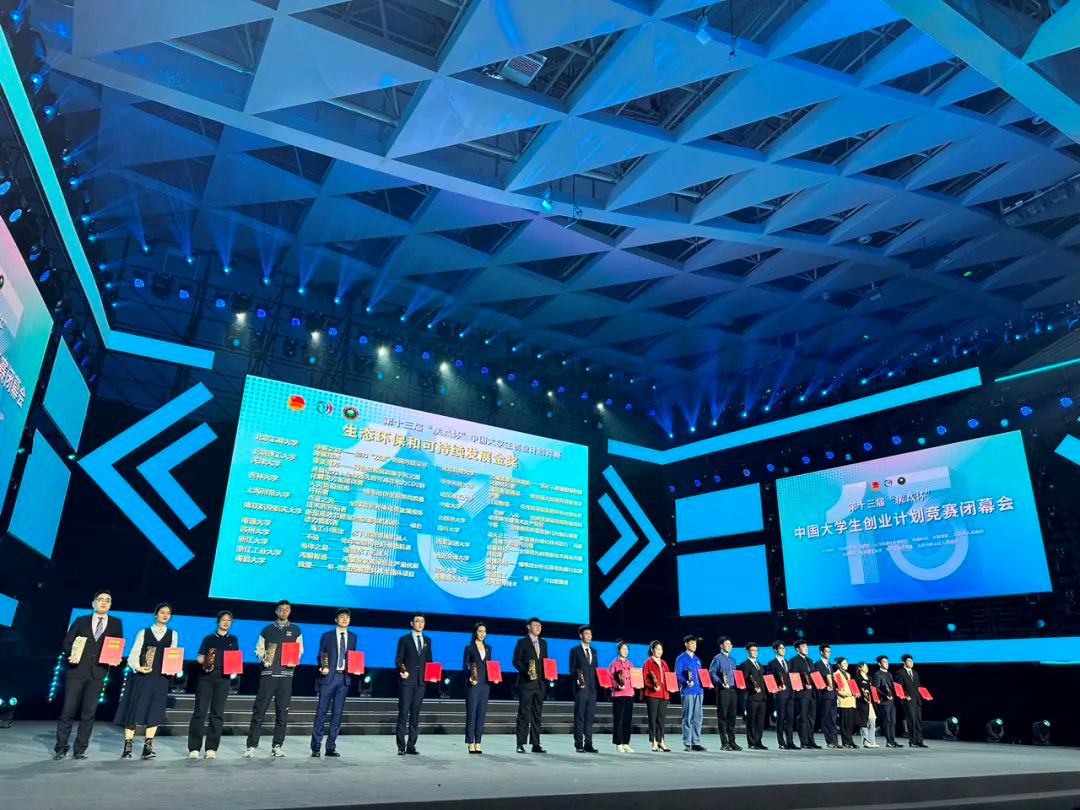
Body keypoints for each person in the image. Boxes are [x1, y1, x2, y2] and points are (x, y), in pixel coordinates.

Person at [54, 590, 124, 760]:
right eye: (100, 599)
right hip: (77, 671)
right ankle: (61, 748)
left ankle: (80, 749)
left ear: (110, 604)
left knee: (89, 713)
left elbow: (116, 645)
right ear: (93, 603)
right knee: (68, 711)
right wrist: (71, 654)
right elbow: (67, 642)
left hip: (98, 673)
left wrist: (115, 657)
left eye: (108, 600)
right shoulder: (81, 620)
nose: (104, 602)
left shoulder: (116, 623)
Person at [244, 599, 303, 758]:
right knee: (259, 711)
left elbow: (299, 651)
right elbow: (258, 649)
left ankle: (277, 746)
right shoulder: (267, 629)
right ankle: (251, 746)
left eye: (287, 609)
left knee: (282, 713)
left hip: (286, 676)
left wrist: (293, 661)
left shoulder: (296, 630)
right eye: (281, 609)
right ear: (276, 611)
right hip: (268, 675)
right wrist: (264, 659)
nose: (284, 612)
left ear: (290, 611)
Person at [120, 602, 178, 760]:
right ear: (155, 614)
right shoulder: (144, 632)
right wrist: (138, 667)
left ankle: (148, 747)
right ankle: (128, 746)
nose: (165, 615)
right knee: (135, 709)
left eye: (168, 613)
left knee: (155, 710)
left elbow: (172, 655)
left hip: (161, 678)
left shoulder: (173, 634)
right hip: (142, 676)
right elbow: (134, 653)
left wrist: (172, 667)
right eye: (162, 612)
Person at [187, 610, 239, 759]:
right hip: (206, 677)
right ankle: (194, 748)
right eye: (223, 620)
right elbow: (199, 657)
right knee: (200, 711)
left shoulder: (233, 640)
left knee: (217, 713)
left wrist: (234, 666)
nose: (226, 623)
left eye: (229, 620)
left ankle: (211, 748)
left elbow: (234, 658)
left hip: (223, 679)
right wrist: (205, 662)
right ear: (218, 622)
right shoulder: (208, 639)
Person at [310, 608, 358, 758]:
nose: (344, 619)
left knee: (337, 714)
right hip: (328, 678)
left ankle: (330, 747)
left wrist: (355, 667)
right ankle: (316, 747)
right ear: (336, 620)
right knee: (321, 712)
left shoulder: (353, 637)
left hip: (343, 679)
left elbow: (352, 656)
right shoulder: (327, 635)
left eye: (347, 617)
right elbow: (321, 654)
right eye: (341, 617)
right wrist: (323, 666)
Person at [394, 611, 431, 755]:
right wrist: (402, 671)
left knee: (415, 715)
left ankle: (411, 745)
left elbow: (429, 661)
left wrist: (432, 674)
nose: (420, 624)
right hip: (407, 681)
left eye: (422, 621)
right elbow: (399, 659)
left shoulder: (427, 640)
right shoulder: (404, 639)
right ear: (411, 623)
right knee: (403, 713)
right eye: (417, 621)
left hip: (421, 682)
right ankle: (401, 746)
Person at [512, 617, 548, 754]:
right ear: (529, 627)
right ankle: (520, 744)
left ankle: (536, 744)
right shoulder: (522, 642)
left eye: (540, 625)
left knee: (537, 714)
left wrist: (549, 672)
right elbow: (516, 661)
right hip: (526, 683)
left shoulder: (543, 643)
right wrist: (526, 671)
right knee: (524, 713)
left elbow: (545, 662)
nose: (538, 627)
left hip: (540, 684)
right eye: (535, 625)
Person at [569, 625, 599, 752]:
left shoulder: (594, 651)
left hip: (592, 689)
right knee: (579, 717)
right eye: (586, 634)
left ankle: (588, 744)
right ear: (581, 635)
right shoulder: (575, 651)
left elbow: (596, 670)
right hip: (581, 688)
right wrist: (579, 680)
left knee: (589, 718)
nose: (589, 636)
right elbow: (572, 669)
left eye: (590, 634)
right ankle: (579, 744)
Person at [462, 622, 492, 754]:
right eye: (480, 631)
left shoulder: (488, 648)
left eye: (484, 631)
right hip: (473, 685)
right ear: (475, 632)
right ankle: (470, 742)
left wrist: (494, 676)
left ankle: (478, 742)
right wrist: (470, 677)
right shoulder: (469, 647)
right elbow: (465, 666)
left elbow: (490, 666)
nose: (482, 634)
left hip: (485, 685)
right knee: (472, 713)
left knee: (481, 713)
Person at [708, 636, 740, 751]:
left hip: (732, 689)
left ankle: (732, 742)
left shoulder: (733, 660)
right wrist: (721, 683)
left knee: (732, 717)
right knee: (723, 716)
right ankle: (724, 743)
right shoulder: (717, 658)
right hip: (722, 690)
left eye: (730, 644)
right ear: (721, 646)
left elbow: (736, 675)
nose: (729, 646)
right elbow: (712, 673)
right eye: (727, 644)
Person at [675, 634, 706, 752]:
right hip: (687, 691)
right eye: (692, 643)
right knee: (687, 717)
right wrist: (685, 681)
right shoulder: (681, 658)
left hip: (699, 691)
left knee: (698, 717)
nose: (694, 645)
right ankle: (687, 743)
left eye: (695, 644)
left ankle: (696, 742)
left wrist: (706, 682)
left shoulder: (697, 659)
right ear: (686, 644)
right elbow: (677, 674)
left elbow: (701, 674)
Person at [641, 641, 671, 752]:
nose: (659, 651)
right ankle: (653, 741)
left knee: (661, 719)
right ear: (652, 650)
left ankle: (661, 741)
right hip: (652, 694)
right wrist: (652, 686)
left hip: (664, 694)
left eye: (661, 649)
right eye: (657, 649)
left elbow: (668, 677)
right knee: (653, 719)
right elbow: (645, 679)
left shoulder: (664, 663)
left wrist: (671, 686)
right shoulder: (648, 662)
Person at [789, 639, 820, 749]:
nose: (806, 648)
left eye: (806, 646)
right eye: (803, 646)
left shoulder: (810, 660)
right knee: (802, 718)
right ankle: (804, 742)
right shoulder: (793, 660)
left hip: (811, 694)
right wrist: (803, 685)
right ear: (797, 649)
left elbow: (814, 676)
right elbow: (793, 676)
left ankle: (811, 741)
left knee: (812, 719)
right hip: (801, 694)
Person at [765, 640, 795, 749]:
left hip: (790, 694)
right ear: (775, 650)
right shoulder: (772, 663)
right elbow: (769, 678)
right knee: (781, 718)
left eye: (784, 648)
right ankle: (781, 742)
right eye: (781, 648)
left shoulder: (788, 662)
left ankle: (790, 741)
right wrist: (775, 688)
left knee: (790, 718)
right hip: (780, 694)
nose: (783, 650)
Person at [738, 642, 768, 750]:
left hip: (762, 697)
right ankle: (751, 742)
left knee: (760, 721)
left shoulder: (759, 664)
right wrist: (752, 688)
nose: (755, 652)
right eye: (752, 650)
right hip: (752, 697)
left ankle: (758, 741)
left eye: (756, 650)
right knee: (751, 721)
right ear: (748, 651)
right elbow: (745, 680)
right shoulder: (744, 664)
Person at [897, 653, 928, 748]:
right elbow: (899, 686)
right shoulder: (900, 672)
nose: (911, 662)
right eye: (909, 661)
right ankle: (912, 740)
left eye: (912, 661)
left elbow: (919, 686)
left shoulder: (915, 673)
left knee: (918, 721)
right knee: (911, 721)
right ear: (904, 662)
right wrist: (905, 695)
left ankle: (920, 740)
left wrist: (925, 694)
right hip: (908, 700)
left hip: (917, 700)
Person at [608, 641, 635, 753]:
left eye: (627, 649)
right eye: (623, 649)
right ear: (618, 650)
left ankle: (626, 743)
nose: (625, 651)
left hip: (629, 693)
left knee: (627, 719)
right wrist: (617, 685)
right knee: (618, 719)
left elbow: (635, 677)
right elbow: (610, 678)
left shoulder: (630, 663)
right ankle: (618, 743)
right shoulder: (614, 663)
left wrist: (637, 683)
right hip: (618, 694)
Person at [872, 655, 901, 748]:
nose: (887, 663)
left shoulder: (889, 674)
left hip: (891, 701)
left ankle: (893, 740)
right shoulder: (877, 674)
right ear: (879, 663)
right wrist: (885, 695)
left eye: (887, 662)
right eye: (884, 662)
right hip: (884, 702)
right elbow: (876, 688)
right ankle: (888, 741)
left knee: (893, 721)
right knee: (887, 721)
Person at [814, 644, 839, 749]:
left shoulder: (830, 665)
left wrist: (836, 687)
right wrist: (824, 687)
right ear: (821, 652)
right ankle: (829, 741)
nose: (828, 653)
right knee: (826, 718)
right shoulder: (817, 665)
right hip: (824, 695)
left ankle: (835, 741)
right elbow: (816, 679)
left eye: (830, 652)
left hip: (833, 695)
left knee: (833, 718)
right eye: (827, 651)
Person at [853, 662, 879, 748]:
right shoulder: (857, 678)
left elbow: (873, 689)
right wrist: (861, 697)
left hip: (870, 703)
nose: (866, 668)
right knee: (863, 722)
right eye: (864, 666)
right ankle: (866, 741)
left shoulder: (870, 678)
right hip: (861, 703)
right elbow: (856, 690)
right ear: (859, 668)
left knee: (872, 721)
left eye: (867, 666)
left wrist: (876, 698)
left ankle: (872, 741)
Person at [834, 657, 857, 748]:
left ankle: (850, 741)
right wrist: (846, 694)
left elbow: (852, 686)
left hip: (851, 701)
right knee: (844, 723)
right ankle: (846, 741)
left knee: (850, 723)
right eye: (844, 663)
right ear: (839, 665)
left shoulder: (848, 674)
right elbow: (839, 689)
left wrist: (855, 693)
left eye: (847, 663)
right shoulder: (837, 674)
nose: (846, 664)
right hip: (843, 701)